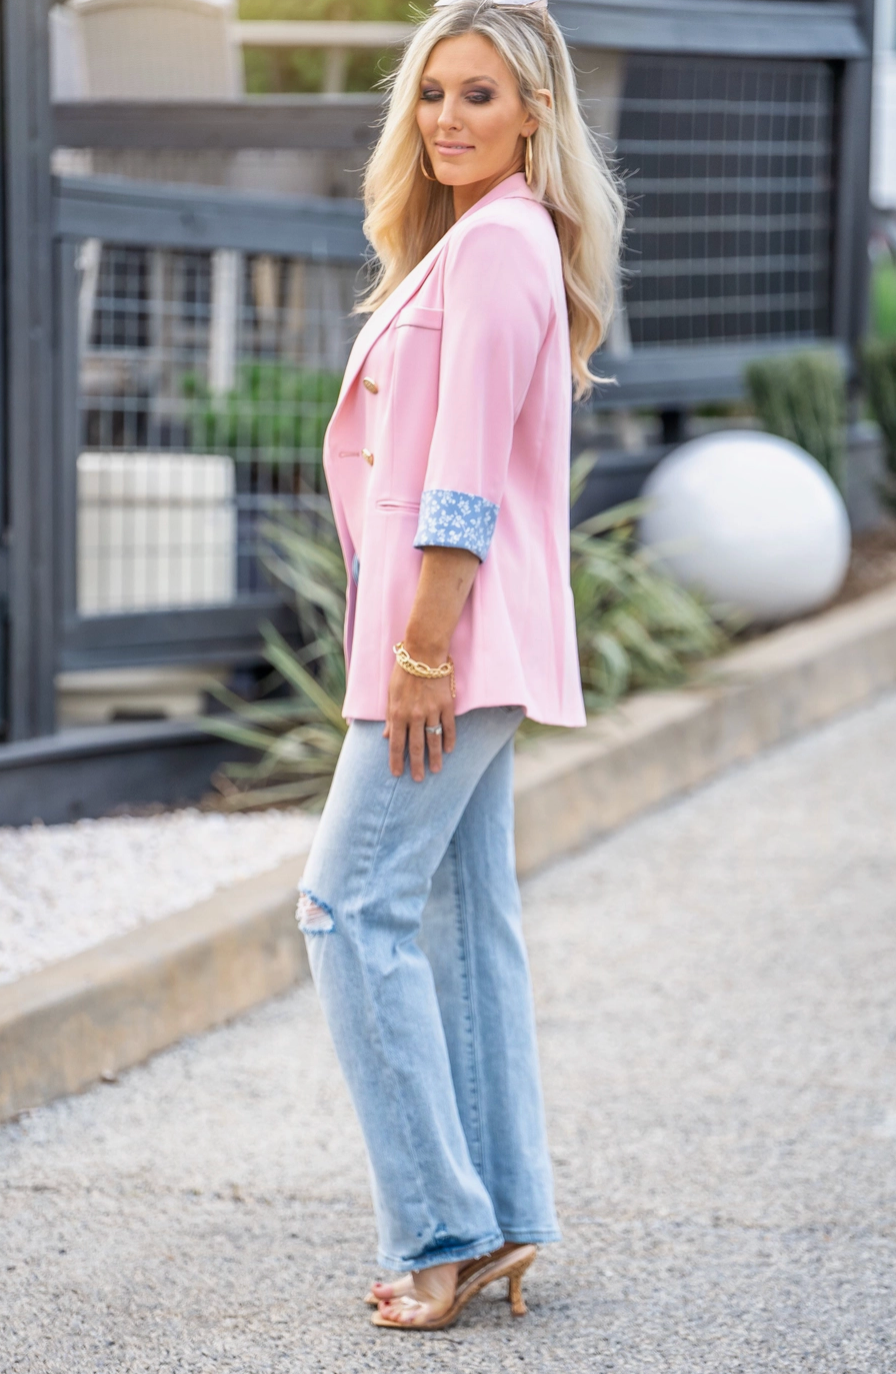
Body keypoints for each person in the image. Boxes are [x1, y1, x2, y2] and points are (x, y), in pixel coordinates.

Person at [296, 0, 623, 1331]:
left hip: (450, 640)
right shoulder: (482, 245)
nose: (446, 119)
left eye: (478, 94)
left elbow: (463, 475)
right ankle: (500, 1217)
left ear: (534, 112)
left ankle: (439, 1224)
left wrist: (424, 645)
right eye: (432, 93)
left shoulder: (497, 249)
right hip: (461, 638)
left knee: (344, 907)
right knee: (452, 918)